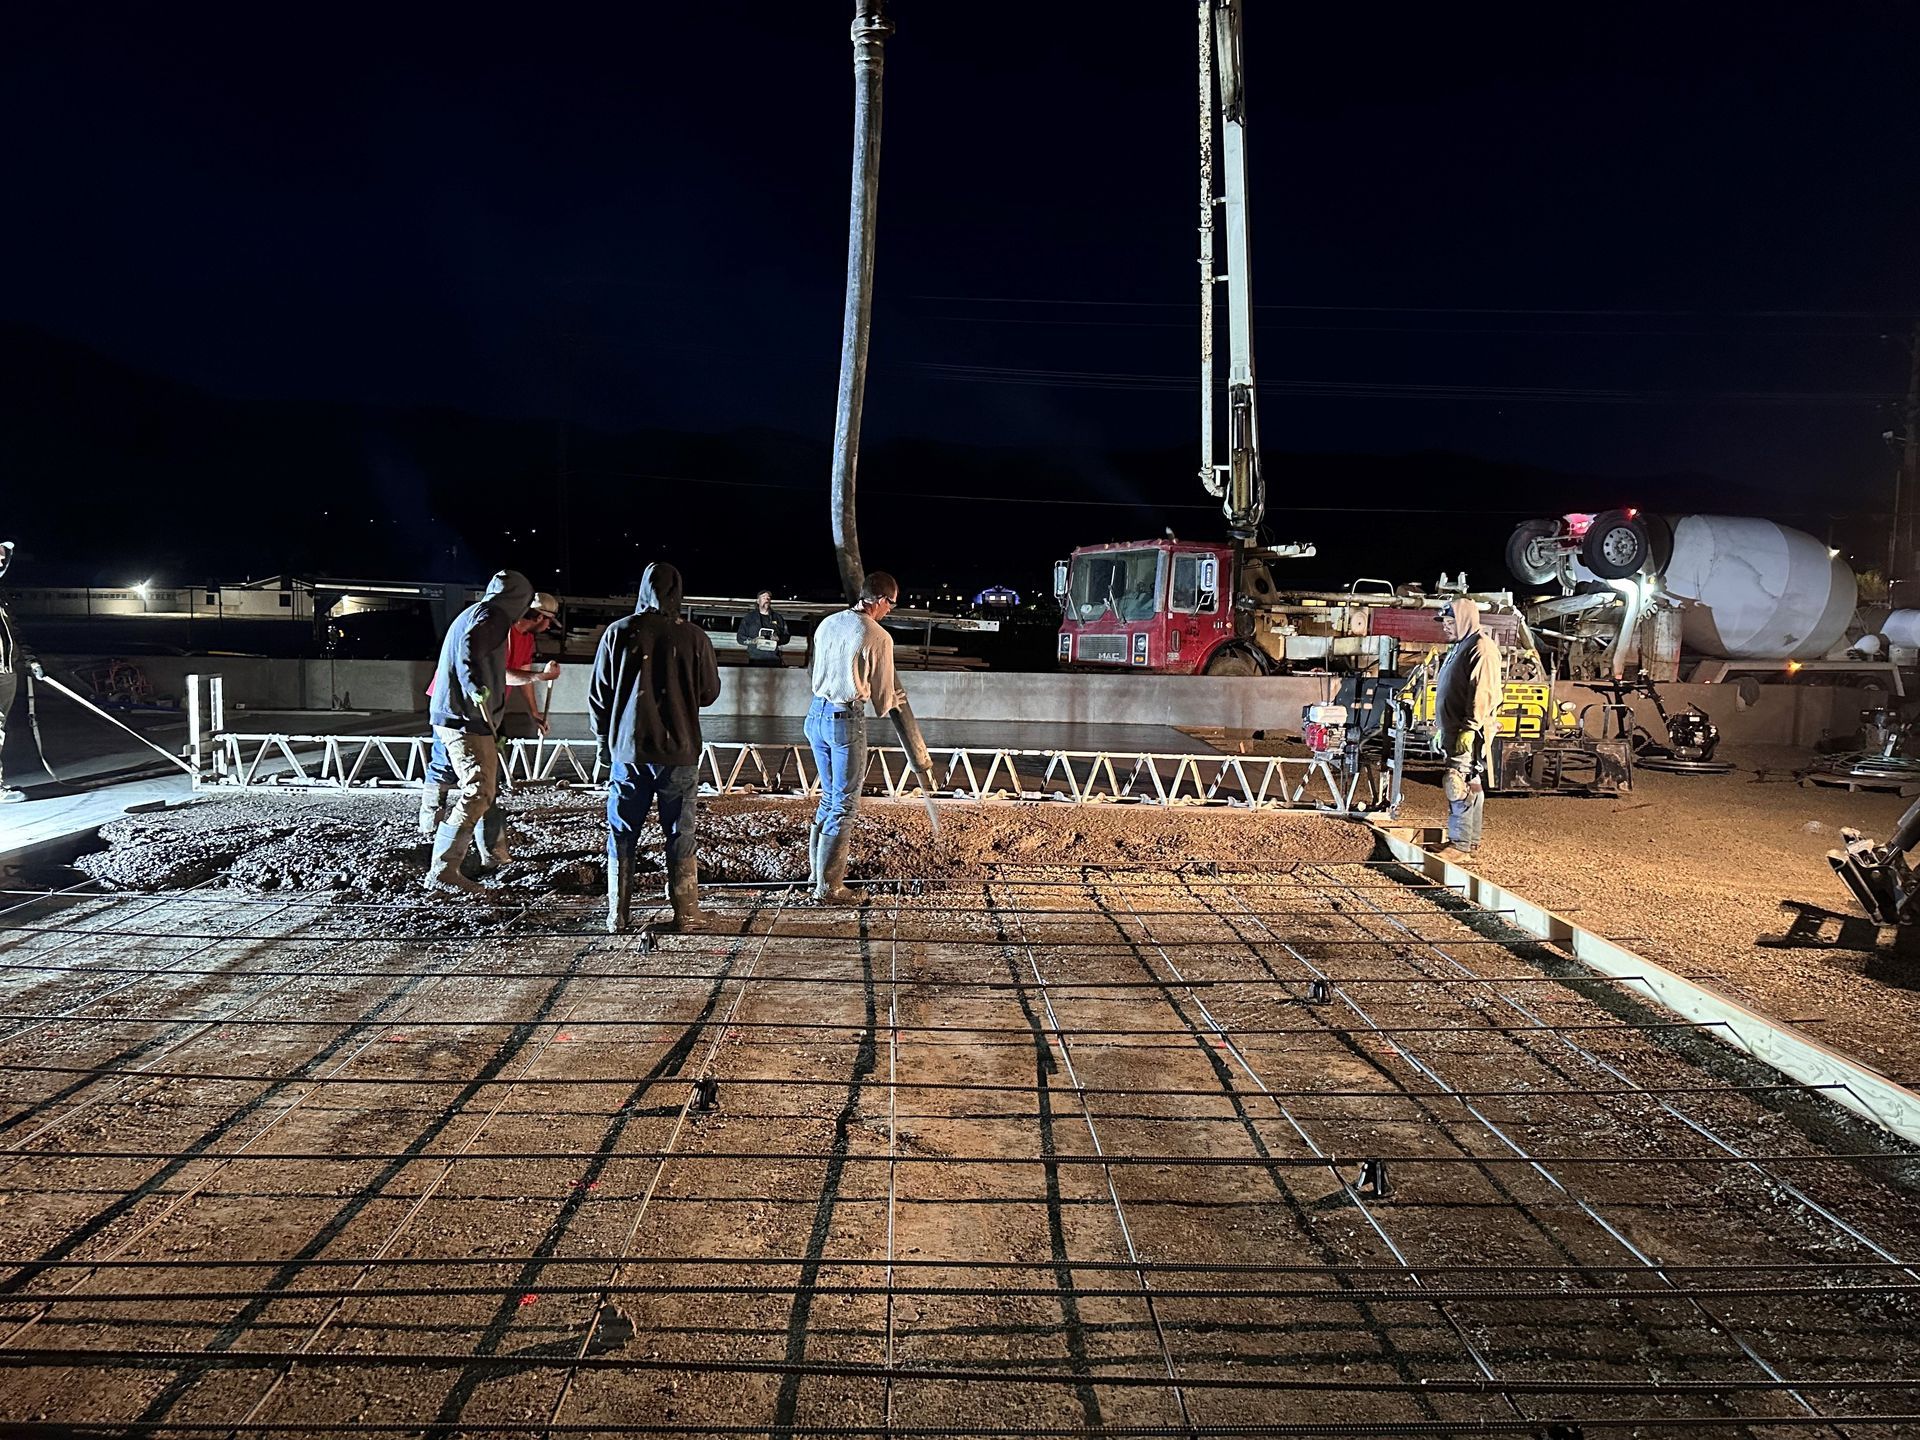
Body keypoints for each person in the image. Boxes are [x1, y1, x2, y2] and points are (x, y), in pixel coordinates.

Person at [589, 562, 721, 934]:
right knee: (680, 831)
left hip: (629, 752)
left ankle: (618, 914)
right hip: (679, 752)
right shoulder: (694, 637)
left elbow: (599, 697)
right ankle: (685, 913)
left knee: (622, 830)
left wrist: (603, 745)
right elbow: (709, 693)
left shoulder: (618, 633)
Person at [417, 592, 561, 855]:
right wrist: (540, 676)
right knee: (445, 763)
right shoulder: (497, 628)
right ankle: (431, 827)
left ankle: (480, 835)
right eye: (549, 621)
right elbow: (499, 673)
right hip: (455, 704)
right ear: (539, 616)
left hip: (486, 708)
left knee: (485, 772)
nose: (549, 627)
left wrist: (534, 712)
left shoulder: (526, 638)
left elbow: (523, 672)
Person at [422, 568, 535, 895]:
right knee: (478, 790)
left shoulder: (476, 612)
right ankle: (443, 870)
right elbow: (470, 650)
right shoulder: (493, 616)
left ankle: (492, 855)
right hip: (464, 717)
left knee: (487, 788)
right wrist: (474, 686)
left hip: (464, 715)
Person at [805, 570, 906, 904]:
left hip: (815, 714)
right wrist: (895, 699)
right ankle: (829, 887)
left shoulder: (828, 623)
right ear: (880, 600)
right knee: (845, 804)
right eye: (891, 604)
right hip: (845, 720)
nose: (890, 610)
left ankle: (816, 876)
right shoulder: (877, 636)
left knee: (829, 798)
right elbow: (883, 698)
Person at [1434, 595, 1502, 857]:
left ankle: (1459, 845)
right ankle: (1468, 842)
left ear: (1464, 619)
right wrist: (1442, 727)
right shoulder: (1462, 646)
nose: (1445, 627)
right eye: (1444, 622)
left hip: (1468, 730)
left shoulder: (1480, 647)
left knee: (1457, 781)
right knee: (1470, 782)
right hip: (1454, 727)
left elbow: (1482, 691)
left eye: (1450, 622)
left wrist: (1470, 727)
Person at [0, 541, 23, 803]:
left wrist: (31, 661)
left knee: (0, 728)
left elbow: (15, 634)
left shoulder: (2, 595)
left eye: (3, 558)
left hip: (6, 672)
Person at [734, 591, 791, 667]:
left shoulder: (778, 618)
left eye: (768, 598)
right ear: (758, 601)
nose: (766, 600)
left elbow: (786, 636)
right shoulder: (749, 618)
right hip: (755, 659)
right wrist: (753, 641)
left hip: (774, 659)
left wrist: (779, 638)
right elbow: (740, 638)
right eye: (764, 597)